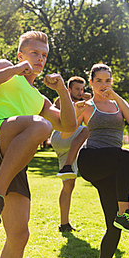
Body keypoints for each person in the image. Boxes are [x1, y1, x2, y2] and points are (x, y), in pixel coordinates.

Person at [0, 31, 76, 258]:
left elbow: (69, 125)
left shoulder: (40, 99)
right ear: (20, 55)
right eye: (34, 53)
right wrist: (15, 70)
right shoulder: (6, 67)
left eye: (44, 55)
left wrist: (62, 90)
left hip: (12, 161)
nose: (40, 59)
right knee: (41, 125)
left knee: (19, 235)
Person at [76, 63, 129, 258]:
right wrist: (73, 110)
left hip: (110, 168)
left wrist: (117, 98)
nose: (103, 84)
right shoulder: (87, 106)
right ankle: (125, 212)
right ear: (91, 82)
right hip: (91, 160)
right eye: (99, 81)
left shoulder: (117, 105)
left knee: (114, 227)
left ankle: (120, 220)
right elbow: (66, 130)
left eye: (107, 80)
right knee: (128, 155)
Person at [50, 76, 90, 233]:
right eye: (77, 89)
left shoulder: (84, 101)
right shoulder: (62, 100)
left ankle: (64, 224)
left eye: (82, 89)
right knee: (86, 130)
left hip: (69, 145)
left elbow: (88, 98)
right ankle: (67, 164)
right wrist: (68, 98)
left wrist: (85, 97)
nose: (80, 92)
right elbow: (57, 106)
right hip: (60, 136)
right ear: (69, 90)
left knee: (69, 185)